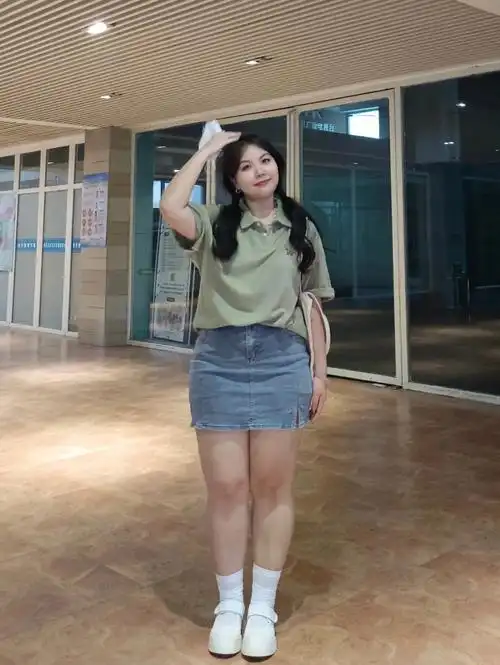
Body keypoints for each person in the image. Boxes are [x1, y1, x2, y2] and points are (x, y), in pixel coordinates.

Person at [160, 131, 334, 659]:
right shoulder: (214, 223)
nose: (260, 171)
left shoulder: (300, 227)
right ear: (233, 181)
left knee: (273, 488)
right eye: (245, 166)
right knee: (228, 487)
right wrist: (207, 151)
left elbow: (312, 302)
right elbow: (171, 206)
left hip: (283, 360)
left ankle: (262, 608)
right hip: (220, 361)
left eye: (266, 161)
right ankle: (229, 605)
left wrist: (320, 372)